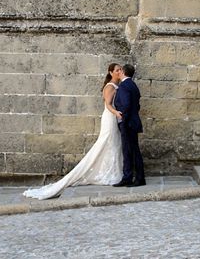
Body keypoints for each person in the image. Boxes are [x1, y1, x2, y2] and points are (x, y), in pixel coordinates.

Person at [23, 63, 124, 200]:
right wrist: (116, 113)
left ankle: (112, 171)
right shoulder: (110, 87)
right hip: (110, 117)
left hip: (113, 116)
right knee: (107, 142)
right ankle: (108, 173)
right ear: (111, 72)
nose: (119, 71)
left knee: (114, 143)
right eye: (117, 70)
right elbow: (108, 104)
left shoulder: (117, 85)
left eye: (120, 70)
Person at [113, 64, 146, 187]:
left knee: (131, 151)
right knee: (130, 151)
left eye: (119, 70)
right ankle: (129, 177)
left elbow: (126, 105)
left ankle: (138, 178)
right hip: (132, 121)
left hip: (128, 123)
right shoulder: (133, 85)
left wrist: (123, 118)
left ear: (122, 71)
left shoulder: (124, 86)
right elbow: (136, 106)